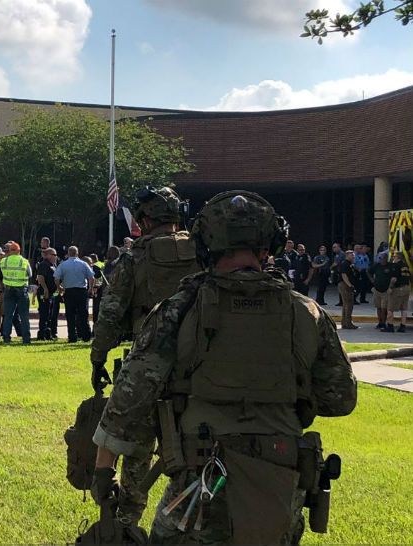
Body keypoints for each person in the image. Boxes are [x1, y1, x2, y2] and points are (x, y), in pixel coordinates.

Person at [91, 190, 357, 544]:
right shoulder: (306, 313)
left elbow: (128, 400)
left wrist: (102, 470)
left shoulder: (178, 310)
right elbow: (340, 399)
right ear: (270, 246)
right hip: (279, 483)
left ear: (205, 244)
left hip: (200, 483)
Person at [89, 186, 202, 525]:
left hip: (147, 362)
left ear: (145, 219)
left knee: (137, 447)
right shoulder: (203, 252)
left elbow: (110, 314)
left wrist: (98, 358)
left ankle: (128, 520)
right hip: (199, 365)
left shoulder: (135, 257)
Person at [54, 246, 94, 343]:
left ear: (68, 253)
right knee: (83, 314)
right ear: (77, 253)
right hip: (81, 291)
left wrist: (59, 287)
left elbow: (56, 277)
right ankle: (86, 336)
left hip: (69, 292)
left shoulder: (63, 265)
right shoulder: (83, 264)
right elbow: (91, 277)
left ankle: (72, 336)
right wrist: (90, 288)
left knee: (70, 315)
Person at [0, 242, 32, 344]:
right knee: (24, 316)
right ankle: (26, 339)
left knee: (8, 315)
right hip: (21, 290)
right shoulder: (24, 261)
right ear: (18, 250)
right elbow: (30, 274)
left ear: (9, 251)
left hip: (8, 290)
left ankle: (6, 338)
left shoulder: (3, 261)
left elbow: (1, 274)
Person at [35, 247, 60, 341]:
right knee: (44, 313)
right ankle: (41, 334)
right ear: (48, 255)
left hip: (52, 293)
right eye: (54, 255)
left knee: (50, 314)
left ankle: (48, 333)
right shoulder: (44, 264)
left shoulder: (53, 265)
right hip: (44, 293)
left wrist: (59, 288)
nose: (56, 257)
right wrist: (45, 289)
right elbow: (40, 277)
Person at [386, 252, 411, 332]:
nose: (393, 258)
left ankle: (390, 326)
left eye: (394, 256)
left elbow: (394, 279)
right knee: (404, 309)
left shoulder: (396, 266)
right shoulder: (405, 266)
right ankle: (403, 326)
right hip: (407, 288)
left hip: (398, 289)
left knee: (390, 308)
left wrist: (390, 288)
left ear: (398, 257)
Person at [369, 252, 392, 329]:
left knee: (384, 308)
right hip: (377, 290)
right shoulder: (376, 266)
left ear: (386, 258)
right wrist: (372, 280)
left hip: (385, 291)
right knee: (378, 307)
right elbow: (368, 271)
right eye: (380, 258)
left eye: (382, 258)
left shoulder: (390, 266)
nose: (381, 260)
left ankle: (384, 322)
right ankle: (380, 322)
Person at [339, 250, 359, 329]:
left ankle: (344, 322)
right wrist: (349, 285)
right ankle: (348, 323)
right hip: (345, 285)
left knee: (346, 304)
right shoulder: (345, 264)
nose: (353, 257)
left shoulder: (350, 264)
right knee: (348, 304)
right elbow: (344, 275)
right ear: (347, 255)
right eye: (352, 255)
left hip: (347, 285)